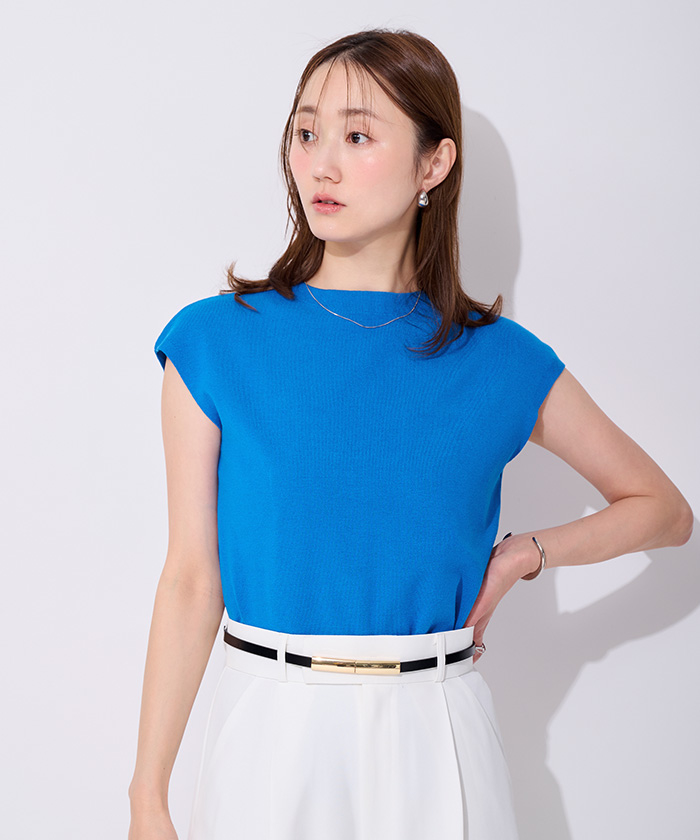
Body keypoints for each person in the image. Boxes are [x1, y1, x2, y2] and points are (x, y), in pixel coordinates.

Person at [127, 28, 693, 840]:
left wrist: (524, 555)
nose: (320, 164)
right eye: (306, 131)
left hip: (440, 730)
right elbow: (190, 578)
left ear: (434, 164)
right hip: (269, 730)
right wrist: (148, 797)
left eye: (357, 136)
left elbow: (664, 511)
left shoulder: (500, 361)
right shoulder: (216, 342)